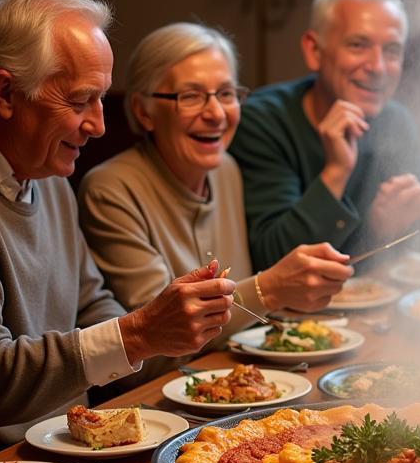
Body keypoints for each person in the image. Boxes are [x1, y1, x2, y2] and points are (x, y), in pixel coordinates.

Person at [0, 0, 235, 443]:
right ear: (5, 94)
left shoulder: (51, 180)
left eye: (101, 98)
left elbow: (90, 303)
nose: (99, 125)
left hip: (72, 443)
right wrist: (136, 333)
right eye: (80, 101)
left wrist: (157, 334)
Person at [78, 23, 353, 379]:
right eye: (190, 96)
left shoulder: (227, 170)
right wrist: (269, 288)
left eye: (226, 94)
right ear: (144, 111)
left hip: (234, 379)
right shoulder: (110, 189)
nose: (217, 114)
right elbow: (156, 348)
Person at [228, 0, 420, 269]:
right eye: (358, 45)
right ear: (314, 51)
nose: (378, 67)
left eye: (392, 50)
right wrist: (336, 172)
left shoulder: (396, 121)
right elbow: (273, 264)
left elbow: (417, 252)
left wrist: (384, 228)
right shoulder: (261, 121)